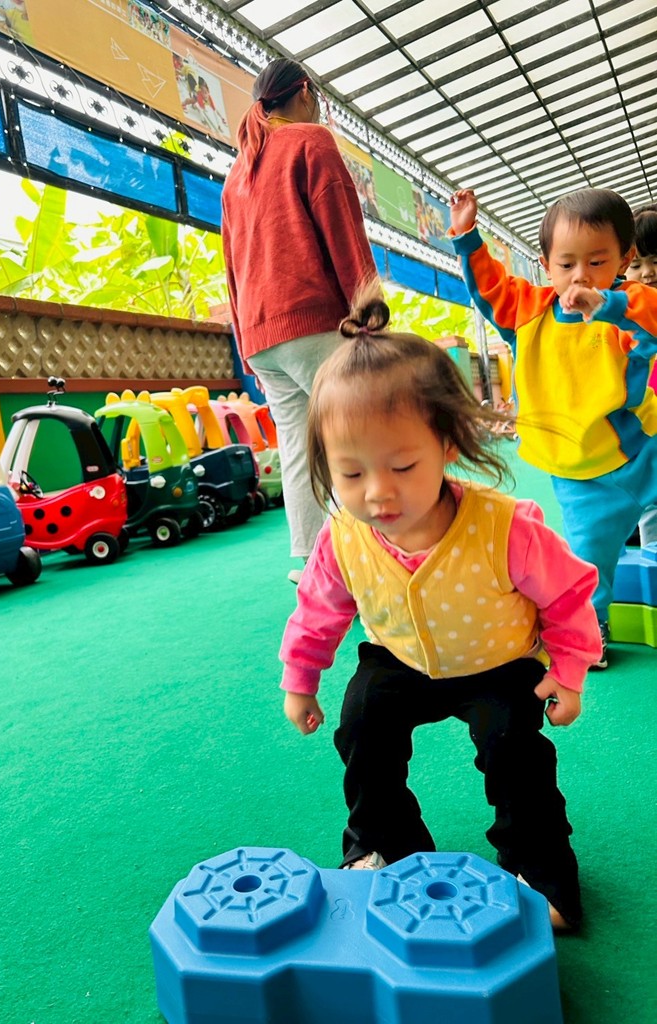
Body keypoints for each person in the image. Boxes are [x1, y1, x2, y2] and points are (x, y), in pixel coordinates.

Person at [279, 288, 602, 933]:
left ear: (448, 445)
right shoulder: (344, 537)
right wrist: (300, 678)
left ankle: (540, 869)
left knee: (513, 747)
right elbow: (317, 610)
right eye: (350, 474)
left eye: (403, 465)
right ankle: (383, 845)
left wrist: (568, 673)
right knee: (363, 724)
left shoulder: (505, 527)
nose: (378, 493)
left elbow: (568, 594)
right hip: (399, 659)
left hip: (499, 663)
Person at [449, 187, 657, 668]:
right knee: (588, 557)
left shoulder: (630, 305)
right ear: (546, 265)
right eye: (567, 264)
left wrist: (606, 305)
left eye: (597, 262)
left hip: (644, 447)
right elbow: (489, 288)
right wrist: (466, 235)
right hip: (582, 475)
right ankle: (592, 628)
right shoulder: (528, 312)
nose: (581, 275)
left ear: (624, 260)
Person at [221, 58, 376, 583]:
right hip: (313, 323)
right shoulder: (312, 141)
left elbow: (230, 268)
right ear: (305, 92)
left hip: (262, 336)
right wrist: (370, 311)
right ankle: (371, 559)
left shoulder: (236, 174)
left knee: (297, 446)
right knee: (358, 436)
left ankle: (313, 564)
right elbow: (344, 230)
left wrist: (247, 345)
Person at [625, 206, 657, 547]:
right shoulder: (618, 322)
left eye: (656, 261)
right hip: (644, 441)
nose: (647, 273)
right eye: (636, 264)